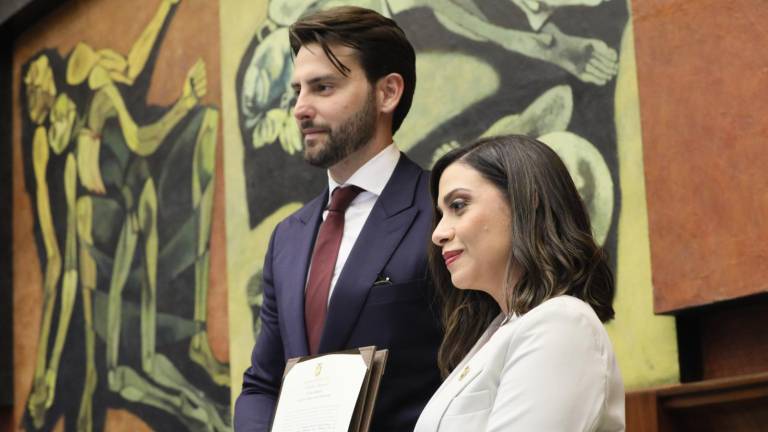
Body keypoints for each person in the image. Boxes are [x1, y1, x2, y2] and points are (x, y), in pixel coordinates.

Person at [234, 6, 443, 431]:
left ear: (387, 93)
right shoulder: (286, 240)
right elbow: (261, 384)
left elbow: (474, 367)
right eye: (297, 91)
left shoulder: (441, 210)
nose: (299, 108)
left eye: (323, 87)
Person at [415, 135, 624, 431]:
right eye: (440, 214)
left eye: (458, 205)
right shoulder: (500, 330)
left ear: (528, 200)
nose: (438, 233)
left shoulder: (561, 323)